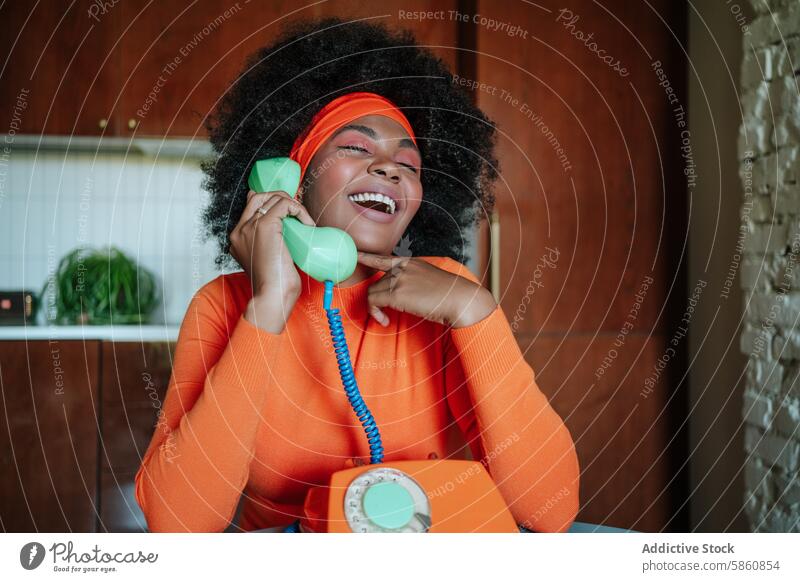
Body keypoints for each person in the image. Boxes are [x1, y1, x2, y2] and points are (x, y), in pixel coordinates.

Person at [134, 17, 579, 533]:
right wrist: (271, 303)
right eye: (357, 148)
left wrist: (475, 311)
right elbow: (176, 526)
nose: (391, 169)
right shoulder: (226, 304)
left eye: (409, 166)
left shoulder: (448, 294)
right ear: (291, 179)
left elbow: (550, 510)